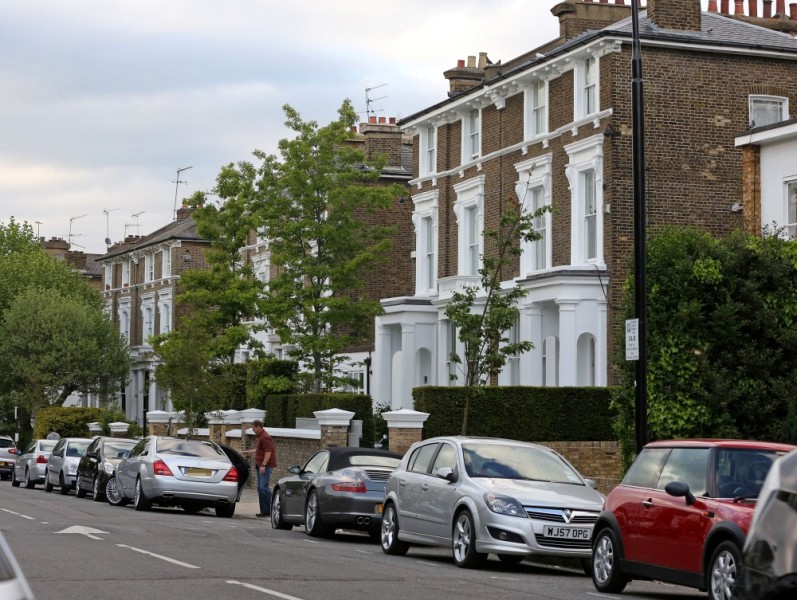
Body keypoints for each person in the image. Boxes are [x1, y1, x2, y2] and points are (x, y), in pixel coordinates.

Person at [243, 419, 277, 518]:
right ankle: (265, 510)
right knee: (259, 488)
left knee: (263, 487)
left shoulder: (265, 437)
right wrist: (249, 452)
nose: (253, 430)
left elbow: (268, 452)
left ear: (258, 427)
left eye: (253, 428)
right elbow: (259, 450)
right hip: (259, 465)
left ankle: (275, 505)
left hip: (265, 466)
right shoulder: (260, 437)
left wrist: (264, 465)